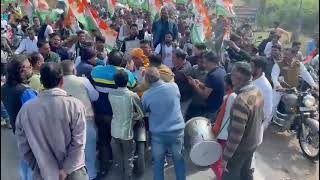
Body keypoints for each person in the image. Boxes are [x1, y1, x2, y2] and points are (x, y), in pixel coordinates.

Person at [15, 62, 88, 179]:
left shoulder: (26, 110)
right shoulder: (75, 105)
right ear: (62, 81)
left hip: (43, 173)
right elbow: (79, 143)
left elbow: (23, 146)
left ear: (42, 82)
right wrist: (65, 170)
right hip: (73, 172)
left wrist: (38, 166)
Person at [91, 50, 137, 177]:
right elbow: (134, 85)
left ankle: (105, 166)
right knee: (123, 143)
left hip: (101, 113)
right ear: (122, 62)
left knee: (104, 141)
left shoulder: (96, 71)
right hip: (119, 116)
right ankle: (124, 169)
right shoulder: (126, 74)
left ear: (108, 60)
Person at [222, 62, 264, 180]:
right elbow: (261, 117)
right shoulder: (257, 90)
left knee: (230, 175)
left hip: (240, 148)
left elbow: (236, 135)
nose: (230, 79)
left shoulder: (240, 100)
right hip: (253, 142)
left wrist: (225, 158)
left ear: (237, 78)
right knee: (246, 172)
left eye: (232, 76)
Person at [142, 67, 186, 180]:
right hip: (177, 131)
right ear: (159, 75)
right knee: (178, 160)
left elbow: (144, 110)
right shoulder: (174, 87)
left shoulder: (146, 95)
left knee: (158, 163)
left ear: (146, 80)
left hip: (158, 134)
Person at [1, 55, 37, 180]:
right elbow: (37, 114)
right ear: (21, 70)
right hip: (31, 134)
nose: (31, 68)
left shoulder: (4, 88)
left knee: (25, 163)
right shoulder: (24, 91)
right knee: (34, 167)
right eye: (29, 66)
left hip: (18, 131)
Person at [61, 60, 99, 180]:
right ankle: (91, 175)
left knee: (71, 153)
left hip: (66, 123)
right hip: (85, 120)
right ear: (74, 70)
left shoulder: (58, 83)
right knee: (89, 151)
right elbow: (95, 96)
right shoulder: (83, 81)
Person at [109, 70, 144, 180]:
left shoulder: (110, 93)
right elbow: (141, 113)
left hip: (114, 130)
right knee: (128, 158)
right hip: (127, 132)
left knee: (118, 158)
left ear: (115, 82)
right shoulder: (132, 95)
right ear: (128, 81)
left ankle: (121, 176)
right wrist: (134, 118)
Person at [271, 48, 318, 115]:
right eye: (285, 54)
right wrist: (277, 85)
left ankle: (294, 117)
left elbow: (305, 74)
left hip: (293, 90)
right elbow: (274, 77)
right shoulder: (278, 64)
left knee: (304, 105)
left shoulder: (298, 64)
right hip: (280, 91)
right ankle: (266, 123)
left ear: (293, 55)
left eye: (287, 54)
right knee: (272, 106)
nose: (285, 56)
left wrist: (313, 84)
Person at [211, 74, 237, 180]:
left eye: (225, 82)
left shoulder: (231, 97)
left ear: (229, 84)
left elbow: (225, 117)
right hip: (227, 134)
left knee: (215, 162)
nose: (223, 84)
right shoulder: (231, 96)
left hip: (224, 135)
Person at [188, 51, 226, 120]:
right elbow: (211, 87)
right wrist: (199, 83)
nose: (204, 65)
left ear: (210, 62)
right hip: (217, 107)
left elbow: (204, 95)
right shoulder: (221, 70)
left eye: (205, 62)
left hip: (211, 109)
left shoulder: (213, 76)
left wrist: (194, 85)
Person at [251, 58, 273, 130]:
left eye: (252, 66)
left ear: (259, 69)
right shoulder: (250, 78)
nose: (249, 68)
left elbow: (268, 110)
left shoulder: (265, 86)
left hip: (254, 121)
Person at [185, 52, 208, 120]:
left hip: (204, 104)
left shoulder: (210, 73)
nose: (199, 63)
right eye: (198, 61)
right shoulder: (194, 68)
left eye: (202, 62)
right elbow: (189, 77)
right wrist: (190, 80)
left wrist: (196, 84)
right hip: (194, 101)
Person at [172, 49, 192, 118]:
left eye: (174, 58)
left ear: (180, 59)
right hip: (183, 96)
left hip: (183, 98)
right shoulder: (186, 63)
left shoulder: (181, 72)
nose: (172, 59)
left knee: (180, 116)